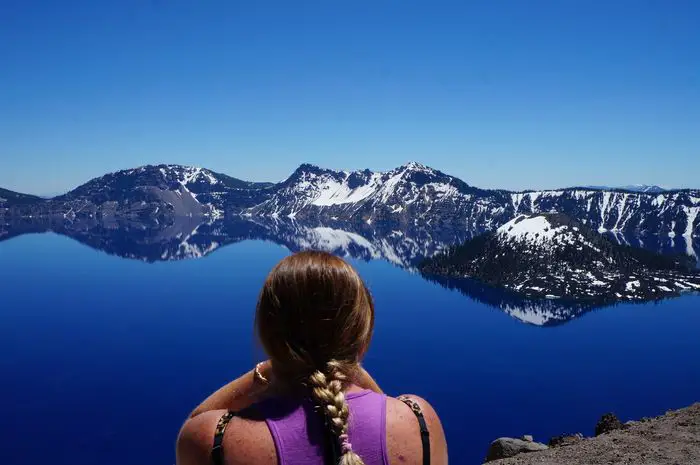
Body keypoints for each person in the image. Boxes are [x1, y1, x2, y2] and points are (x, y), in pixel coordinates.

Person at [176, 250, 448, 465]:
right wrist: (350, 368)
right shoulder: (419, 420)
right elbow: (384, 404)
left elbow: (194, 423)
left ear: (268, 334)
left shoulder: (212, 441)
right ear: (362, 338)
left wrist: (265, 372)